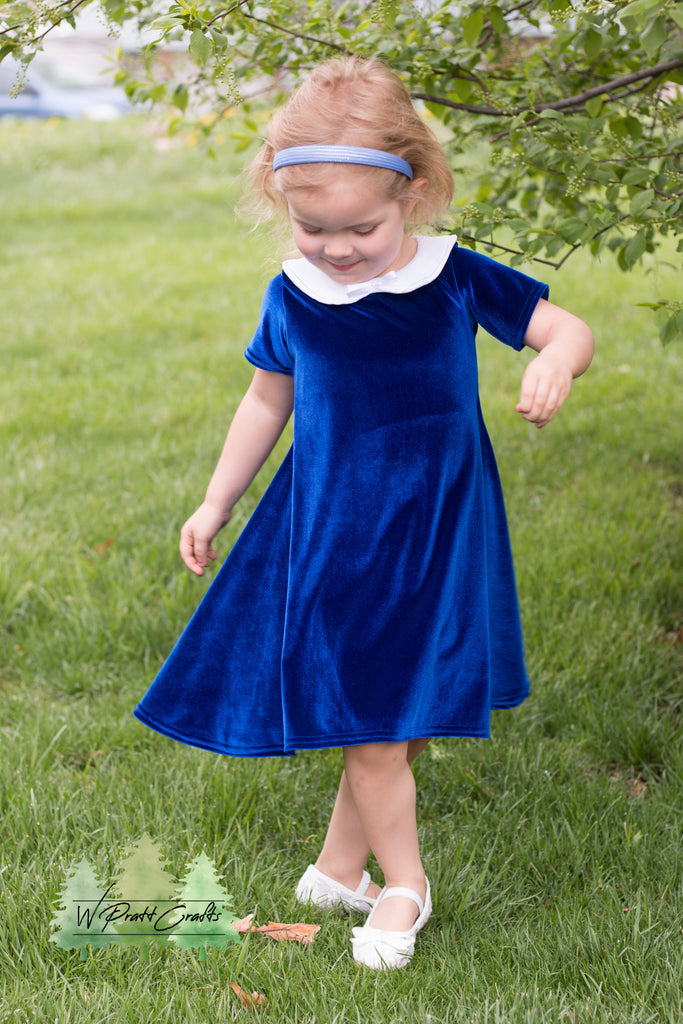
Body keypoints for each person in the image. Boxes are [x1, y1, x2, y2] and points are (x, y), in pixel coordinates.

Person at [134, 56, 594, 970]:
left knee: (402, 711)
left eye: (361, 229)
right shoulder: (293, 295)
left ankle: (340, 869)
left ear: (412, 192)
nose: (337, 249)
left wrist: (554, 361)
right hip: (338, 534)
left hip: (441, 527)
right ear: (282, 203)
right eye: (313, 228)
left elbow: (565, 327)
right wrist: (216, 500)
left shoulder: (453, 277)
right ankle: (405, 884)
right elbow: (267, 400)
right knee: (373, 714)